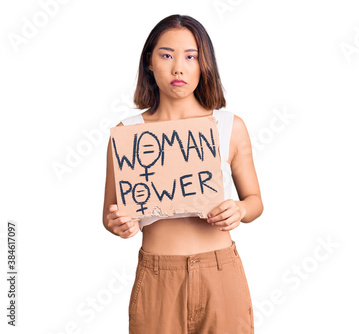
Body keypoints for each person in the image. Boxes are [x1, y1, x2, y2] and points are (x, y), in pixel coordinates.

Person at [102, 14, 263, 333]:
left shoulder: (230, 126)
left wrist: (240, 210)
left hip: (221, 273)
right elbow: (110, 215)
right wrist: (119, 223)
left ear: (204, 64)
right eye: (166, 55)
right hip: (158, 277)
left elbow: (255, 202)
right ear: (149, 61)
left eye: (191, 56)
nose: (178, 67)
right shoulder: (128, 133)